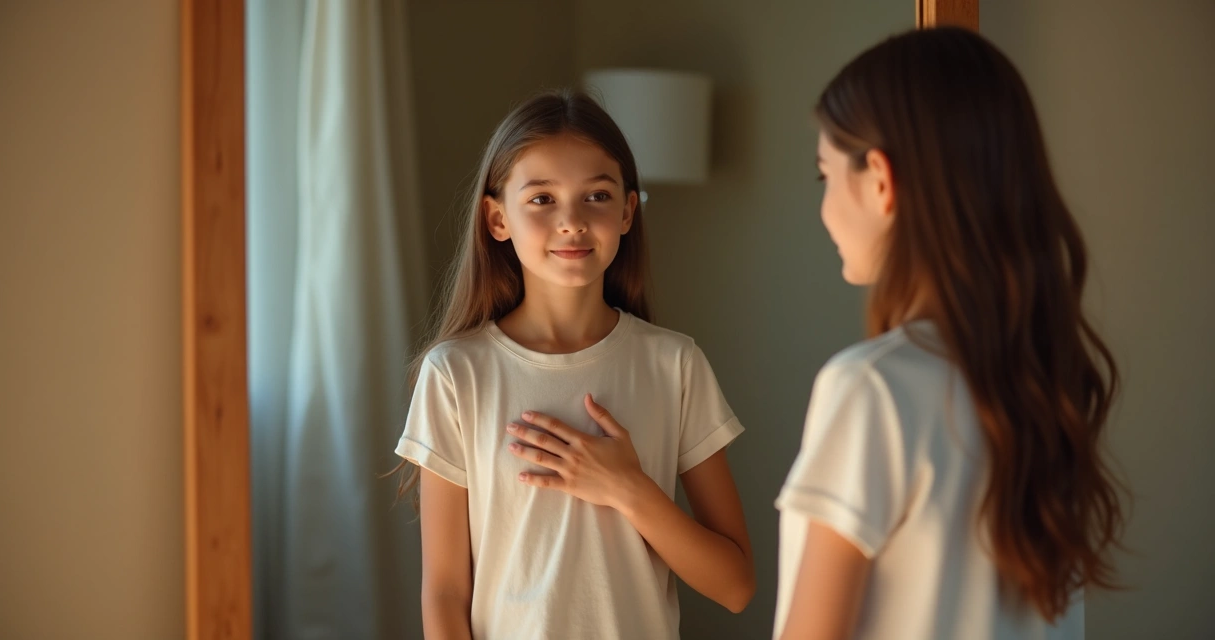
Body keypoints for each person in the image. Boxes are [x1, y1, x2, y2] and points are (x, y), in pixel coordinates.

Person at [774, 27, 1125, 640]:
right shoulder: (1046, 388)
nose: (825, 205)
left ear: (880, 180)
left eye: (823, 174)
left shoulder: (873, 389)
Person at [393, 89, 755, 639]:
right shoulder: (455, 375)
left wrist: (628, 488)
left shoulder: (675, 364)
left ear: (628, 211)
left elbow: (735, 586)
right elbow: (444, 593)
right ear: (497, 219)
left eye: (597, 196)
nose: (572, 221)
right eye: (541, 199)